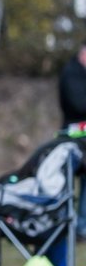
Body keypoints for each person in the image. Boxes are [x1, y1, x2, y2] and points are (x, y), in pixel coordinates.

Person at [56, 43, 86, 239]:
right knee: (64, 181)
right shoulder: (71, 73)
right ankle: (65, 222)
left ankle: (82, 225)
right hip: (72, 136)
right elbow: (78, 104)